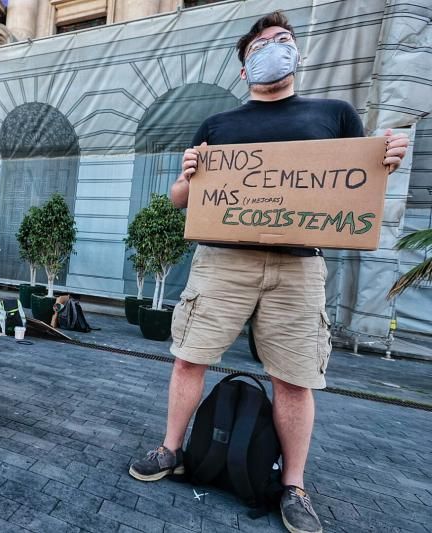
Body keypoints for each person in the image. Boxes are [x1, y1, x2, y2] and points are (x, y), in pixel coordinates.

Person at [127, 12, 408, 533]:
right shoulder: (219, 126)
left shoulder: (336, 114)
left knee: (295, 378)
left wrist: (385, 157)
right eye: (260, 46)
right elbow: (178, 199)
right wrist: (187, 178)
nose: (273, 49)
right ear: (244, 67)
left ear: (298, 55)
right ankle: (170, 449)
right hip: (222, 261)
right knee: (189, 358)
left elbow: (361, 182)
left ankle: (293, 485)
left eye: (283, 41)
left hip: (299, 267)